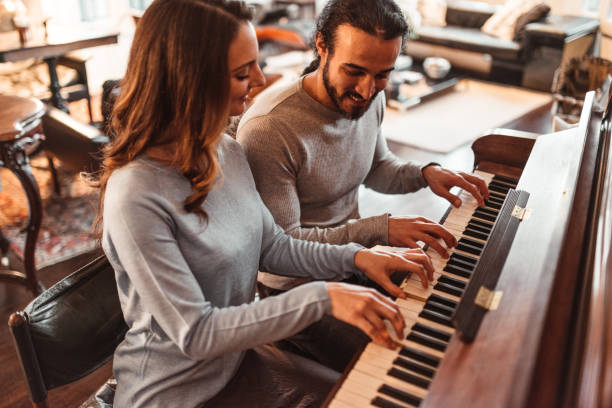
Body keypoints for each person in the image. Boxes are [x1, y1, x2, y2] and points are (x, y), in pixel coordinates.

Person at [95, 1, 435, 407]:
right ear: (190, 81)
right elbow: (196, 333)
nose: (259, 80)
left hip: (237, 363)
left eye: (255, 65)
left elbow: (273, 246)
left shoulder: (225, 151)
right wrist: (323, 297)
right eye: (242, 73)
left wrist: (359, 258)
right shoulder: (134, 195)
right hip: (173, 393)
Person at [236, 0, 490, 371]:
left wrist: (425, 173)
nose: (367, 90)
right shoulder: (269, 129)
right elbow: (281, 247)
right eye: (354, 71)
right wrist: (377, 230)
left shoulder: (370, 96)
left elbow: (378, 167)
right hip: (298, 289)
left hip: (358, 258)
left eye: (383, 74)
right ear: (321, 45)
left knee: (451, 306)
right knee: (407, 360)